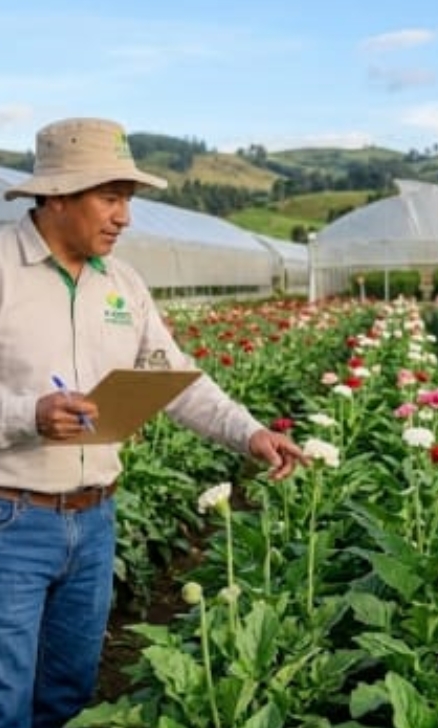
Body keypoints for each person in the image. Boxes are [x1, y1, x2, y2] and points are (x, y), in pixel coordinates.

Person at [0, 117, 308, 728]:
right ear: (57, 196)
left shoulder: (123, 283)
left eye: (128, 200)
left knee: (68, 694)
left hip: (95, 520)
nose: (125, 217)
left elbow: (177, 379)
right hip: (13, 522)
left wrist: (249, 432)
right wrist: (26, 415)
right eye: (110, 198)